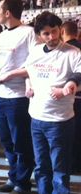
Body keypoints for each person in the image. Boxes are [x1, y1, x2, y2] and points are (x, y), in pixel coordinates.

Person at [21, 11, 81, 194]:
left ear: (60, 30)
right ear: (39, 35)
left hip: (60, 120)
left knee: (60, 166)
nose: (51, 37)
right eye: (46, 33)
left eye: (54, 31)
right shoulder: (36, 52)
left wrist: (68, 87)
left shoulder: (72, 53)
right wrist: (28, 87)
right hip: (36, 116)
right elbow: (29, 72)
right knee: (41, 164)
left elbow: (78, 75)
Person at [0, 0, 36, 194]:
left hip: (17, 97)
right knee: (7, 141)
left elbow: (34, 65)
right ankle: (13, 177)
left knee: (21, 142)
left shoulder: (28, 33)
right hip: (1, 95)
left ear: (8, 12)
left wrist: (10, 76)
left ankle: (23, 185)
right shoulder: (1, 35)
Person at [61, 21, 81, 174]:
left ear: (62, 32)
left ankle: (72, 165)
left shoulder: (66, 52)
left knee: (71, 135)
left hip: (70, 98)